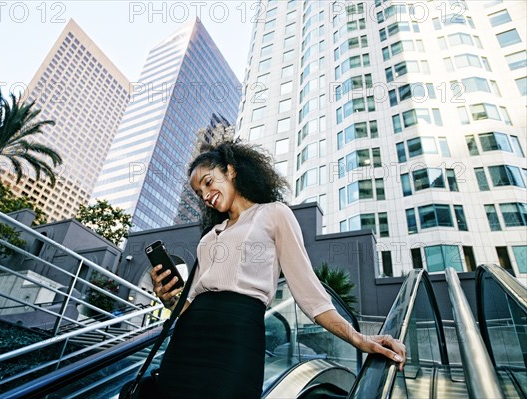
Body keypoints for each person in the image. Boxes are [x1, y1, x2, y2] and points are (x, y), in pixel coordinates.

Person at [150, 140, 406, 399]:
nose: (205, 195)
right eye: (198, 193)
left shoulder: (274, 214)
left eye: (208, 182)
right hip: (186, 341)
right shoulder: (208, 237)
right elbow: (187, 304)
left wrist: (359, 338)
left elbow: (310, 294)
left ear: (230, 171)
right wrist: (169, 297)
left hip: (237, 338)